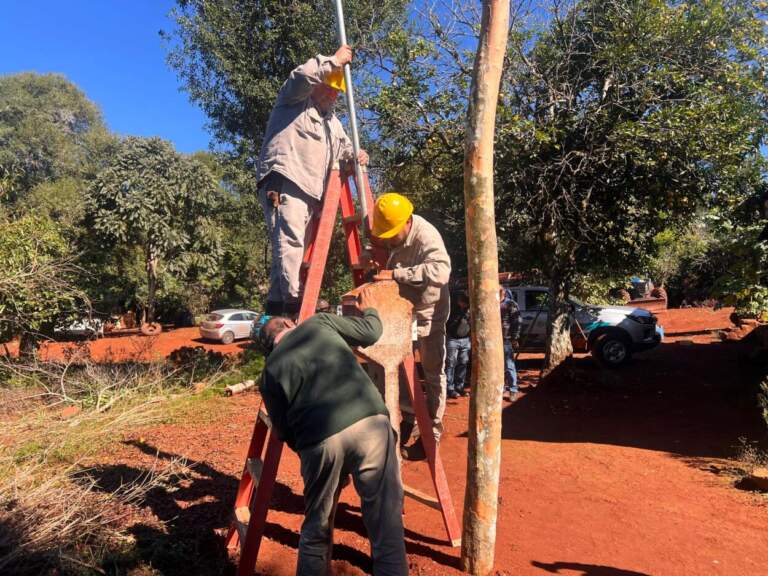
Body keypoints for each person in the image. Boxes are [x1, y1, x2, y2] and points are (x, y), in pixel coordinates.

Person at [255, 287, 407, 576]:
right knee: (385, 524)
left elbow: (284, 431)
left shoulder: (269, 372)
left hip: (319, 441)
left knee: (316, 527)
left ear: (269, 347)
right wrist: (371, 309)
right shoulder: (317, 323)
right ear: (288, 323)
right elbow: (372, 332)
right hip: (369, 423)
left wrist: (320, 460)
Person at [256, 45, 369, 317]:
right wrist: (333, 61)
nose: (332, 94)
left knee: (288, 251)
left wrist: (357, 155)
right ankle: (294, 305)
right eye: (328, 86)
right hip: (285, 179)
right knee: (290, 242)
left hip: (311, 193)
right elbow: (301, 76)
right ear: (318, 84)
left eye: (336, 91)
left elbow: (344, 149)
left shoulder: (333, 123)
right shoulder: (294, 101)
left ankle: (276, 310)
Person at [369, 193, 451, 461]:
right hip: (403, 311)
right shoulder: (390, 231)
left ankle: (433, 434)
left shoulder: (426, 235)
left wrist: (398, 274)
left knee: (432, 370)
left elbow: (441, 272)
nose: (390, 240)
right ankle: (408, 416)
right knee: (399, 365)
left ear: (407, 222)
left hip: (429, 312)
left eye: (393, 234)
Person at [445, 290, 471, 399]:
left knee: (463, 363)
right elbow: (447, 323)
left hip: (466, 340)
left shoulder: (470, 310)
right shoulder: (452, 308)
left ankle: (459, 386)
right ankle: (450, 388)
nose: (463, 304)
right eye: (462, 302)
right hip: (452, 339)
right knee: (451, 363)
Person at [500, 286, 522, 401]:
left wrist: (515, 338)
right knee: (498, 366)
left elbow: (517, 322)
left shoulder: (510, 304)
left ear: (502, 293)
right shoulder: (492, 303)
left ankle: (513, 390)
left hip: (506, 339)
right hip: (494, 340)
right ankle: (501, 388)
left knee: (509, 365)